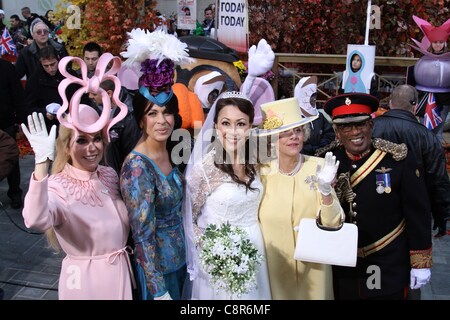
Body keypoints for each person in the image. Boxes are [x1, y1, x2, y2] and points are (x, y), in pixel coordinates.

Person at [320, 92, 432, 300]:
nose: (355, 132)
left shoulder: (398, 159)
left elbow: (418, 213)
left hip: (385, 260)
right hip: (342, 265)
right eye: (346, 126)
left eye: (361, 124)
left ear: (371, 125)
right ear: (336, 131)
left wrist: (420, 262)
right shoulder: (325, 161)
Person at [21, 107, 133, 300]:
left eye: (97, 139)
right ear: (66, 146)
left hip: (120, 275)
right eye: (82, 140)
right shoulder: (58, 185)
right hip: (84, 283)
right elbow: (35, 220)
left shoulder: (109, 174)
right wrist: (41, 163)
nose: (92, 148)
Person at [119, 29, 193, 300]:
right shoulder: (137, 168)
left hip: (182, 263)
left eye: (167, 112)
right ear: (141, 120)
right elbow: (142, 236)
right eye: (153, 114)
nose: (162, 120)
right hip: (160, 275)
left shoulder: (174, 149)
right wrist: (158, 289)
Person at [184, 91, 271, 300]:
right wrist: (215, 250)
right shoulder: (204, 170)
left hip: (256, 250)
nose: (233, 131)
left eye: (241, 124)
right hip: (221, 260)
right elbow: (189, 219)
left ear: (250, 128)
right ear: (215, 126)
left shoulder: (255, 163)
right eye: (226, 123)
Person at [256, 97, 343, 300]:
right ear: (271, 138)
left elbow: (334, 223)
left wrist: (326, 192)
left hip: (315, 271)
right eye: (285, 133)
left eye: (297, 131)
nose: (293, 137)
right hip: (274, 272)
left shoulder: (319, 167)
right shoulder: (260, 173)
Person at [372, 85, 450, 238]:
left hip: (375, 203)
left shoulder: (372, 128)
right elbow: (438, 180)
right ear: (415, 106)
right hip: (415, 209)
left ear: (390, 103)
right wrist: (442, 217)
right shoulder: (428, 137)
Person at [407, 16, 450, 144]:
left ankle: (436, 157)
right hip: (424, 96)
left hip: (444, 99)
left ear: (444, 43)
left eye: (440, 42)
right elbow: (413, 79)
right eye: (435, 42)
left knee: (438, 129)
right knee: (424, 128)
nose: (438, 45)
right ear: (431, 43)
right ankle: (423, 155)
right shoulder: (423, 59)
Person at [89, 79, 141, 175]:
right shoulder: (99, 106)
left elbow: (131, 153)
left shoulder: (129, 116)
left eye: (94, 94)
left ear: (109, 93)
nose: (90, 96)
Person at [0, 58, 26, 209]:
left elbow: (17, 95)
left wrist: (21, 121)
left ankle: (15, 192)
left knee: (11, 159)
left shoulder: (7, 68)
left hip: (6, 122)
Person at [294, 76, 335, 156]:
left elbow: (329, 134)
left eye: (314, 96)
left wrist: (321, 146)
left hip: (319, 156)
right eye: (309, 96)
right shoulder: (294, 116)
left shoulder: (319, 116)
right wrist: (308, 148)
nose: (313, 99)